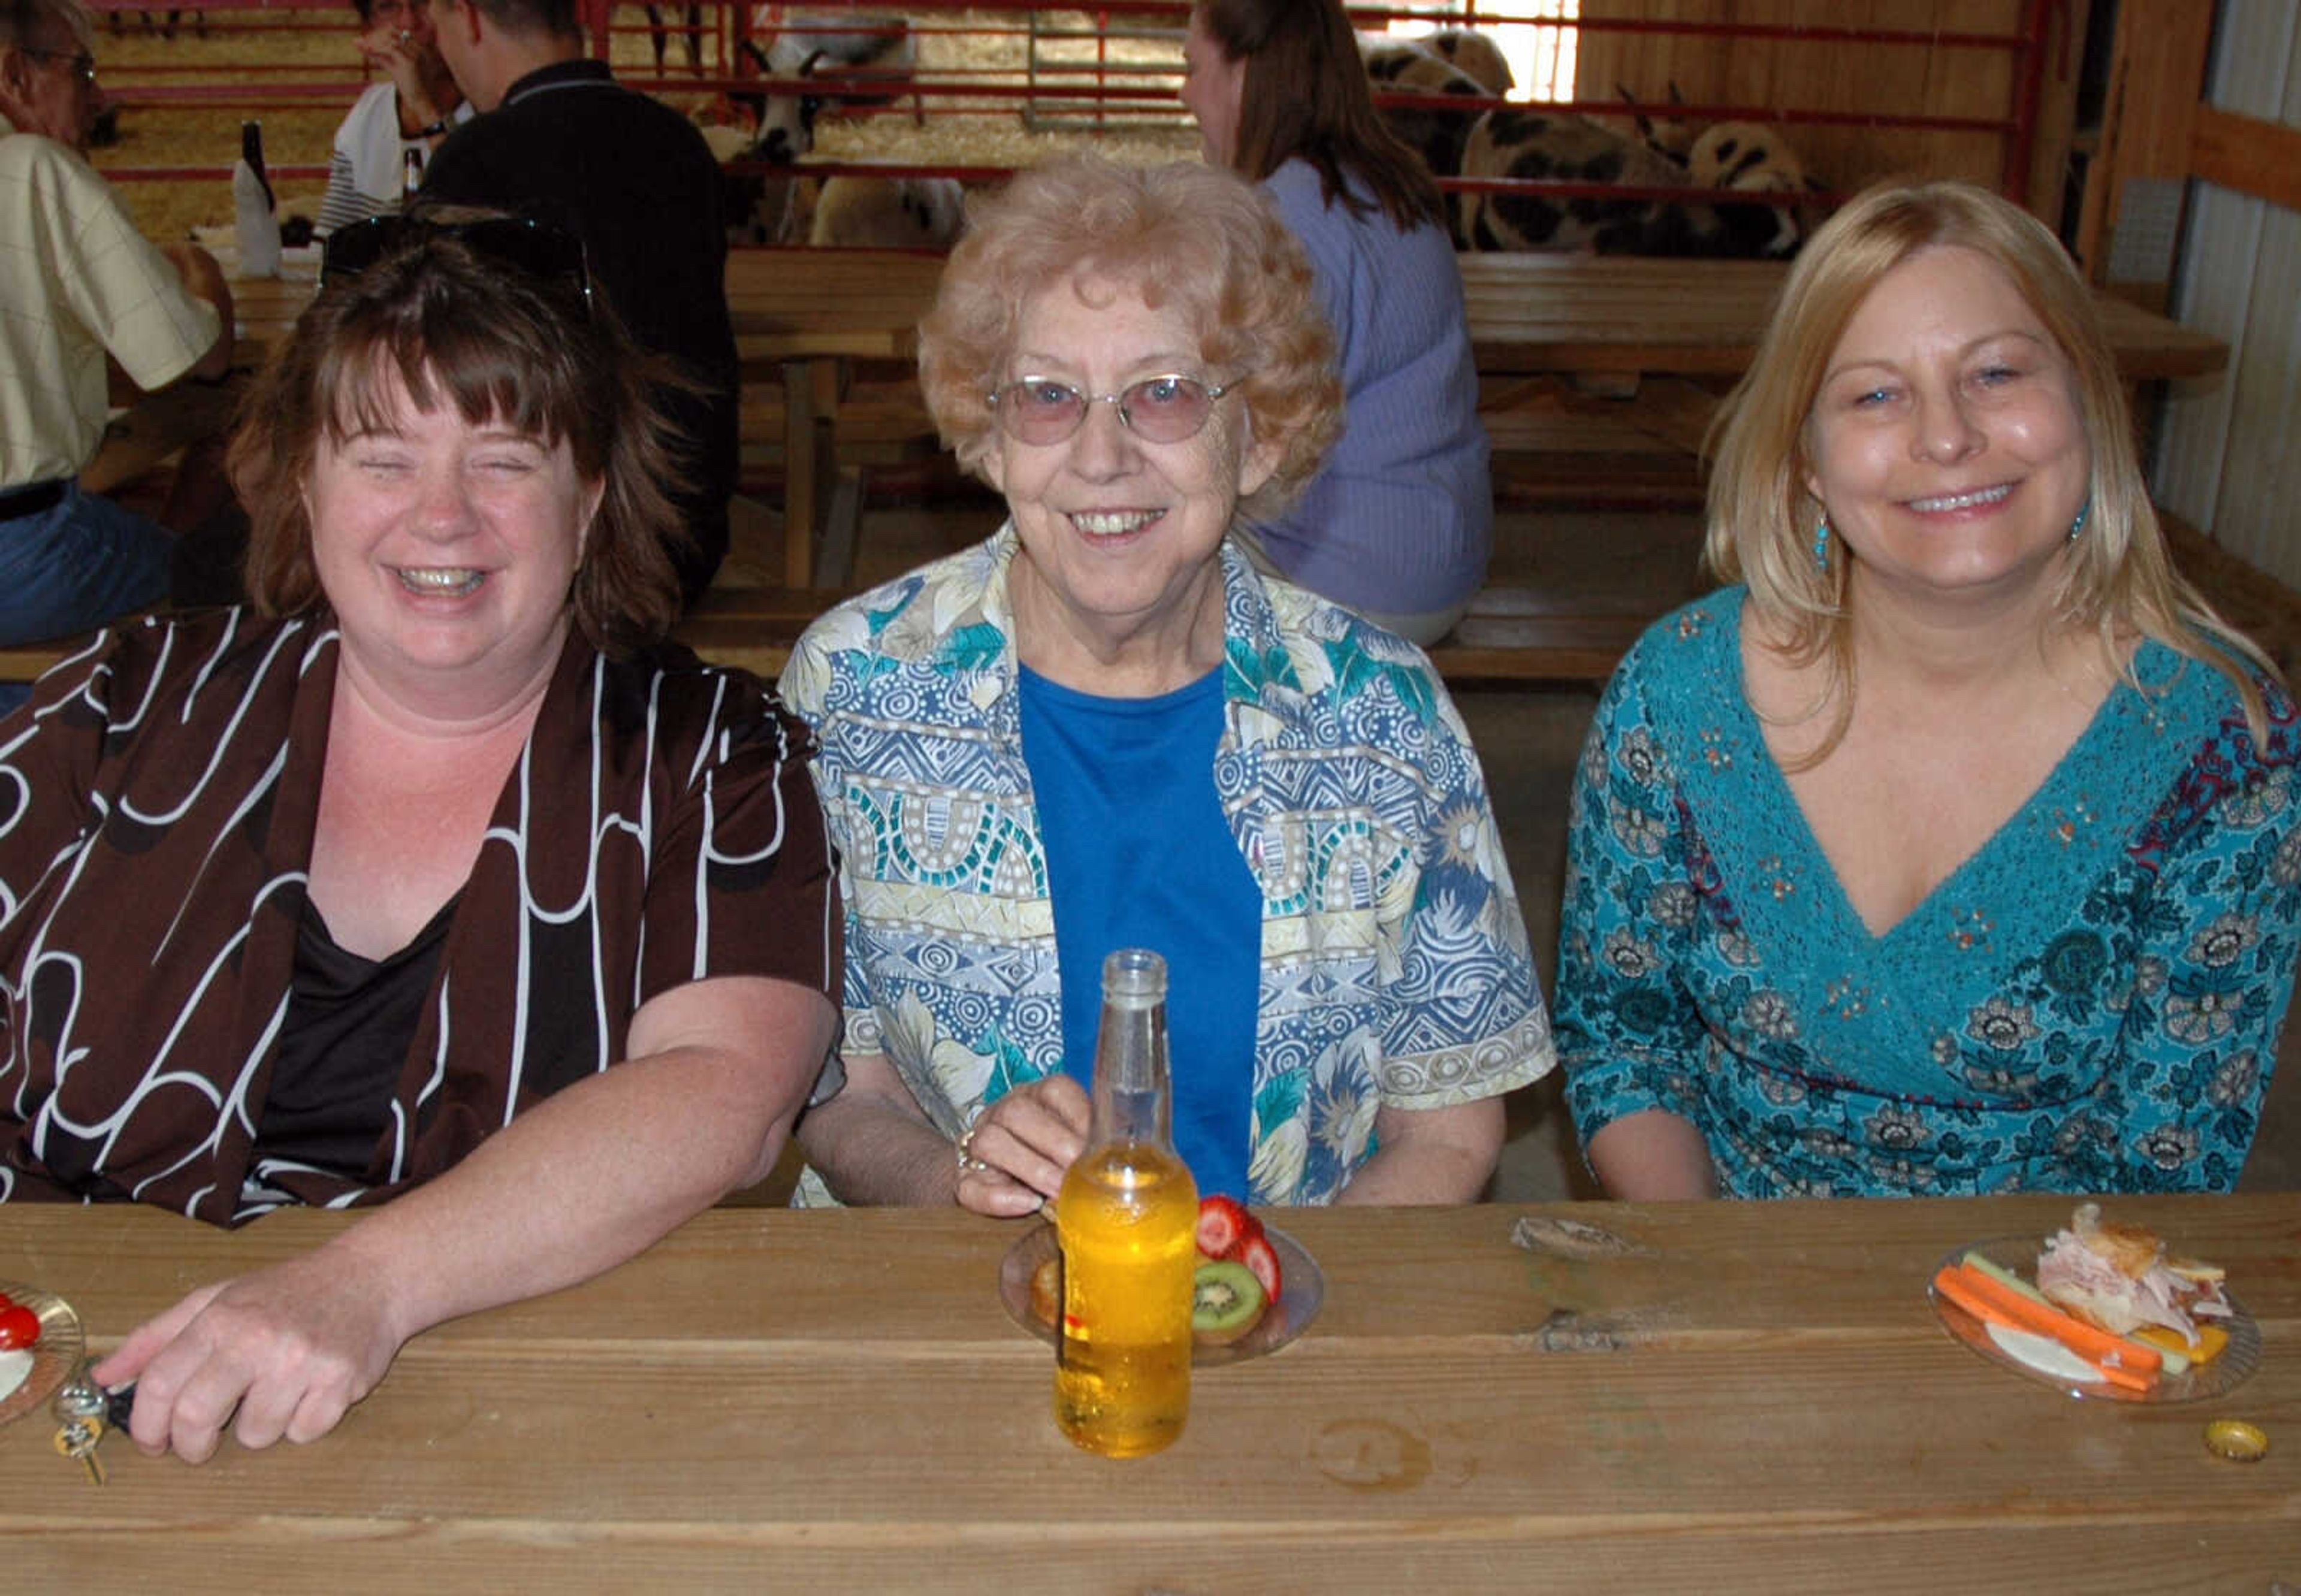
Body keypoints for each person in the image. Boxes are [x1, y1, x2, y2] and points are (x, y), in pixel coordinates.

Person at [0, 214, 840, 1462]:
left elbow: (727, 1093)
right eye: (384, 459)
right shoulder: (133, 695)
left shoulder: (705, 752)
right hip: (70, 1370)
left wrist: (359, 1287)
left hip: (511, 1385)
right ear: (305, 484)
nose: (442, 518)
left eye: (505, 461)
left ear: (591, 494)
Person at [779, 156, 1551, 1213]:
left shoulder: (1381, 711)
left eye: (1166, 393)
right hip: (945, 1309)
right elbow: (830, 1088)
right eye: (1049, 396)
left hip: (1279, 1320)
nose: (1104, 455)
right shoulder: (854, 687)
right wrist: (953, 1180)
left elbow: (1451, 1132)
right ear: (990, 431)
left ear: (1261, 433)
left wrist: (1271, 1299)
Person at [1554, 180, 2301, 1199]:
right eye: (1874, 394)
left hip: (2054, 1313)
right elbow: (1623, 1038)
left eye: (1995, 372)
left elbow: (2164, 1156)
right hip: (1728, 1274)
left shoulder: (2222, 743)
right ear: (1805, 459)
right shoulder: (1675, 697)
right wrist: (1714, 1284)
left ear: (2087, 395)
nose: (1946, 436)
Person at [1180, 0, 1489, 646]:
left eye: (1193, 69)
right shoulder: (1392, 184)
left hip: (1355, 581)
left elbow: (1241, 430)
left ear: (1244, 76)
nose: (1186, 96)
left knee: (1124, 546)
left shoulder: (1287, 216)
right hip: (1445, 558)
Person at [418, 0, 738, 603]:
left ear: (470, 19)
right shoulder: (678, 144)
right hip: (684, 534)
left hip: (560, 549)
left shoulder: (477, 160)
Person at [0, 0, 232, 702]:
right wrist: (201, 272)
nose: (98, 96)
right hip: (23, 555)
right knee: (218, 580)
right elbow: (205, 357)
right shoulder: (36, 169)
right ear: (16, 74)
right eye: (84, 70)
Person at [312, 0, 472, 236]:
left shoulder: (490, 109)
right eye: (388, 7)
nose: (409, 23)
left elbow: (475, 215)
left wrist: (421, 103)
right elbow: (331, 242)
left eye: (423, 3)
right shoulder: (367, 115)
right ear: (368, 29)